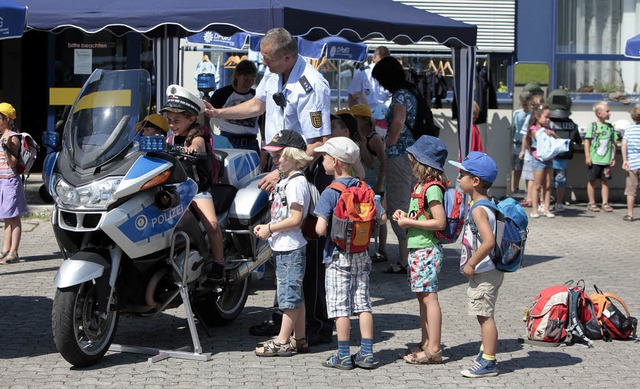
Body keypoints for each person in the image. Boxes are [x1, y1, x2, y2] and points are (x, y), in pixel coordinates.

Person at [204, 27, 334, 346]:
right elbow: (257, 106)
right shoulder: (273, 73)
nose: (263, 63)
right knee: (281, 247)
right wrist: (218, 112)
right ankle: (283, 321)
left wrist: (284, 170)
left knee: (307, 251)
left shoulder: (312, 85)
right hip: (280, 168)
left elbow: (320, 141)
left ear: (287, 56)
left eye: (267, 58)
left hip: (304, 173)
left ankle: (316, 325)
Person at [314, 137, 380, 370]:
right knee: (363, 304)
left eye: (324, 157)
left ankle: (343, 355)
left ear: (335, 161)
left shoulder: (330, 192)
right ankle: (367, 353)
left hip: (337, 256)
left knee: (340, 308)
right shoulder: (365, 188)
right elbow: (380, 216)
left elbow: (320, 229)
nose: (321, 160)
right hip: (361, 253)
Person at [254, 130, 313, 356]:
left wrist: (270, 228)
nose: (276, 160)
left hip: (291, 246)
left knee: (289, 296)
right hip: (284, 245)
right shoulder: (288, 180)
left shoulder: (296, 182)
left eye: (280, 155)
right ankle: (300, 338)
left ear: (293, 155)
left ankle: (282, 340)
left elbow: (296, 219)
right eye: (274, 155)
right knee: (295, 295)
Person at [160, 85, 226, 282]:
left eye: (177, 121)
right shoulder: (170, 137)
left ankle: (218, 263)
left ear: (191, 119)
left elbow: (198, 146)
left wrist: (192, 151)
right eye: (169, 120)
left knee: (212, 224)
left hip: (196, 189)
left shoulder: (198, 136)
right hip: (174, 190)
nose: (172, 125)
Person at [392, 135, 447, 365]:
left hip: (426, 250)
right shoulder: (421, 186)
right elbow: (423, 217)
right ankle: (426, 342)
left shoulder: (432, 189)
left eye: (412, 160)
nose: (409, 163)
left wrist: (410, 223)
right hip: (418, 249)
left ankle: (434, 348)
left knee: (429, 298)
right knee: (422, 297)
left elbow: (439, 223)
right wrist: (406, 217)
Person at [448, 151, 502, 378]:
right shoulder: (484, 204)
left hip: (484, 270)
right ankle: (484, 352)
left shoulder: (479, 209)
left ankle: (489, 361)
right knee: (483, 313)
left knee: (485, 316)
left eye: (462, 174)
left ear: (476, 181)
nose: (458, 178)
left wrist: (471, 263)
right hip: (489, 270)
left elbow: (488, 242)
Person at [372, 56, 418, 274]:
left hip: (399, 155)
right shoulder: (411, 92)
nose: (380, 85)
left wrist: (388, 141)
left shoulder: (400, 95)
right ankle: (408, 257)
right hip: (410, 156)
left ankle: (405, 260)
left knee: (399, 206)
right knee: (408, 203)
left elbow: (398, 120)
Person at [351, 103, 388, 262]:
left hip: (375, 183)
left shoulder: (373, 138)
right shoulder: (358, 137)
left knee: (380, 218)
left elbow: (379, 163)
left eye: (356, 118)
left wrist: (380, 184)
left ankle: (381, 249)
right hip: (365, 183)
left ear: (364, 120)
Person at [210, 59, 261, 154]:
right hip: (227, 141)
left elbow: (262, 123)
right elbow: (207, 115)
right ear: (237, 76)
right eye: (245, 79)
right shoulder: (222, 94)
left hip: (251, 143)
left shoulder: (257, 97)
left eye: (252, 79)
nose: (249, 82)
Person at [0, 103, 27, 265]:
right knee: (6, 217)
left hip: (10, 181)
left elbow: (12, 162)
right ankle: (5, 249)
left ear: (7, 119)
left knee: (14, 218)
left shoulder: (12, 137)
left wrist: (7, 149)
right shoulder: (1, 136)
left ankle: (14, 251)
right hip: (2, 181)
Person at [547, 88, 582, 213]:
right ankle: (559, 202)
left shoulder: (547, 122)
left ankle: (545, 203)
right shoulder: (571, 123)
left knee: (547, 181)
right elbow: (578, 139)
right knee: (560, 181)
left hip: (549, 156)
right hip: (562, 157)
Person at [347, 46, 392, 136]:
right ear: (374, 58)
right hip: (364, 117)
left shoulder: (391, 75)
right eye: (381, 60)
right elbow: (351, 96)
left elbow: (391, 97)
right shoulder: (362, 73)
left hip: (383, 117)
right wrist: (355, 117)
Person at [523, 103, 557, 218]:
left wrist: (552, 133)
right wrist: (545, 132)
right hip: (538, 159)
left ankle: (546, 208)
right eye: (546, 117)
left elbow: (556, 141)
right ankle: (534, 209)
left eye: (549, 117)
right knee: (537, 185)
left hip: (549, 159)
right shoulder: (533, 129)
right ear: (537, 116)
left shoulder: (549, 129)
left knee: (547, 185)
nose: (548, 120)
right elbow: (537, 136)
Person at [585, 101, 617, 213]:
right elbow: (587, 141)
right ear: (599, 113)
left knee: (605, 181)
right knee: (592, 181)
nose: (610, 113)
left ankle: (605, 202)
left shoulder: (610, 127)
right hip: (594, 160)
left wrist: (612, 157)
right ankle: (591, 202)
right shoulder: (593, 126)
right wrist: (587, 156)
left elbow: (613, 142)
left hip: (606, 160)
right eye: (607, 111)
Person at [519, 88, 545, 208]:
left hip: (539, 154)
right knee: (531, 178)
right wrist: (524, 150)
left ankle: (537, 198)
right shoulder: (530, 119)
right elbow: (525, 136)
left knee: (537, 179)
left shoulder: (543, 120)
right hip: (531, 154)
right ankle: (530, 198)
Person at [621, 104, 640, 221]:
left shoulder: (629, 130)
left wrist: (625, 160)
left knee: (631, 190)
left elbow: (624, 145)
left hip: (632, 164)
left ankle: (630, 214)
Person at [511, 91, 531, 194]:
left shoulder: (531, 115)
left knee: (528, 171)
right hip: (517, 144)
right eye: (523, 102)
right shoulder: (516, 114)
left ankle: (529, 191)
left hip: (528, 147)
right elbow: (513, 129)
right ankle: (515, 187)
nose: (524, 104)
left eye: (526, 102)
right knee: (517, 169)